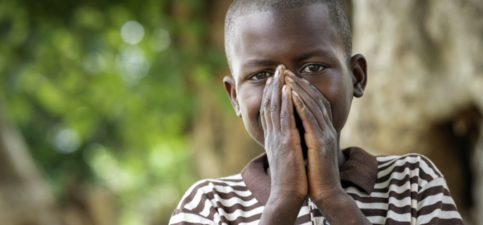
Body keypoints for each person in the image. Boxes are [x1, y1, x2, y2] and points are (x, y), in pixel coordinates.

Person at [170, 0, 464, 224]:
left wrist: (333, 198)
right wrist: (283, 200)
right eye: (260, 75)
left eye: (313, 67)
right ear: (235, 97)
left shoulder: (411, 181)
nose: (288, 91)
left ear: (356, 77)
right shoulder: (209, 205)